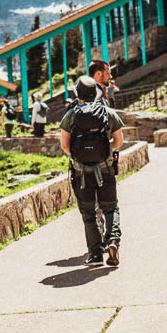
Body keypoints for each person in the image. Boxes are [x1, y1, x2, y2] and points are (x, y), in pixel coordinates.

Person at [59, 77, 124, 267]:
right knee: (110, 208)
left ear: (77, 95)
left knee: (88, 212)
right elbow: (119, 141)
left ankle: (95, 255)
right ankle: (112, 241)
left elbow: (64, 145)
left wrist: (80, 156)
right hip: (105, 170)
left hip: (81, 174)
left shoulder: (70, 115)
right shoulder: (108, 112)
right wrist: (104, 152)